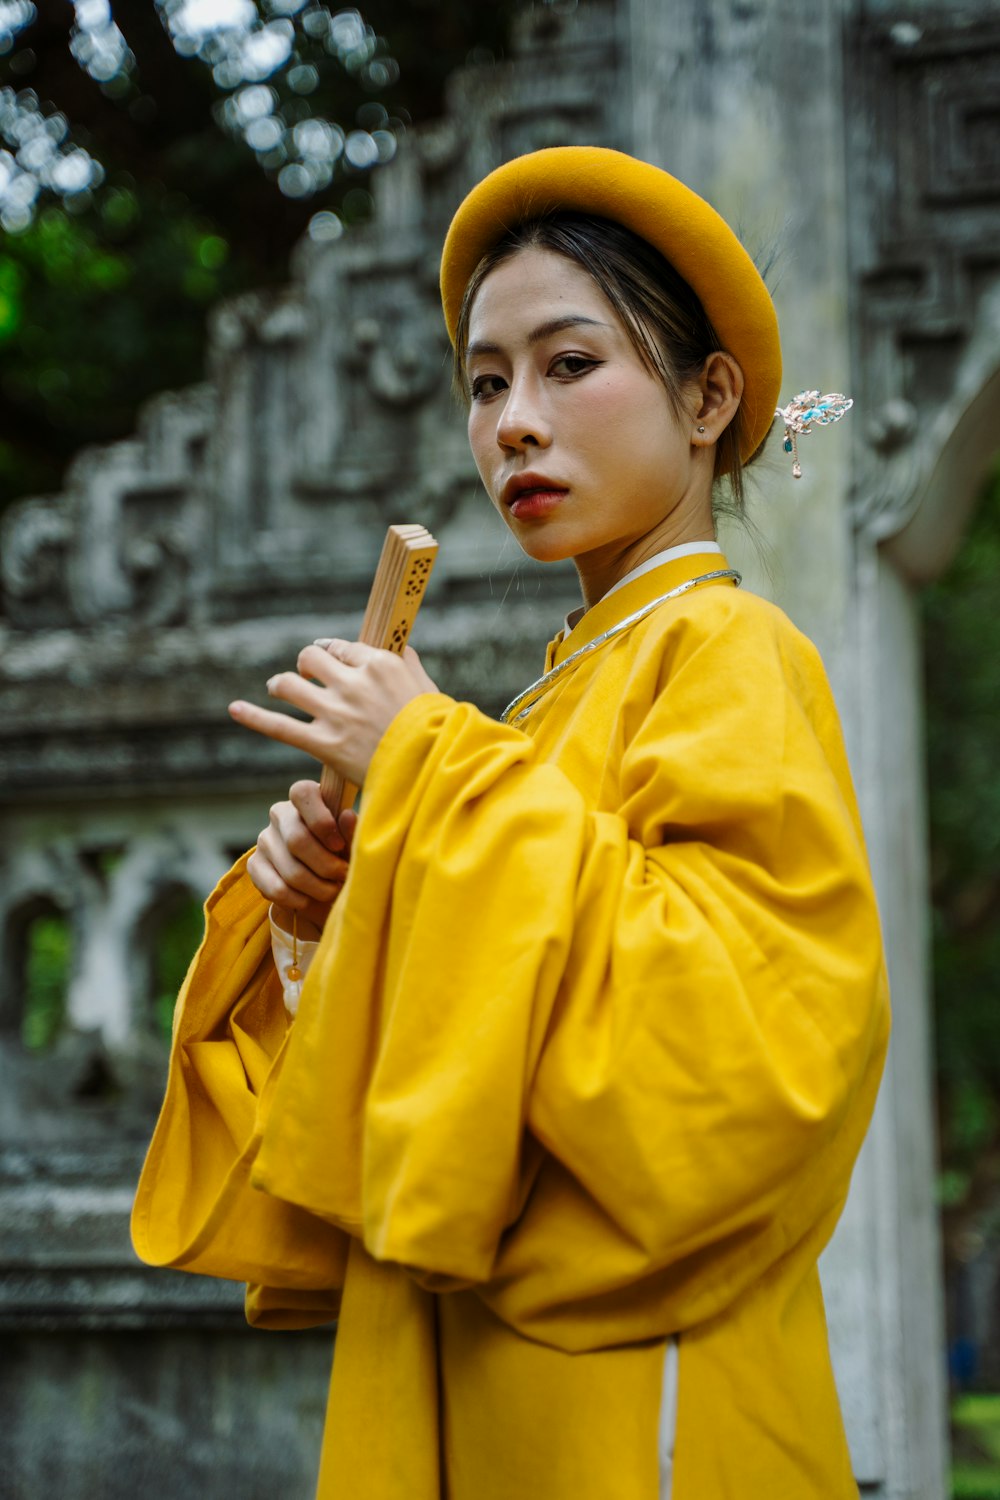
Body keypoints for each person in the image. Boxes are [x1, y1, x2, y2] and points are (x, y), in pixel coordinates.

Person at [132, 146, 890, 1500]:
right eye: (486, 383)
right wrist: (331, 917)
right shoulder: (538, 711)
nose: (514, 424)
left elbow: (744, 1056)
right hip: (472, 1360)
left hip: (638, 1389)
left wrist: (428, 764)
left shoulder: (730, 652)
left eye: (569, 364)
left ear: (710, 395)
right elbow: (442, 1095)